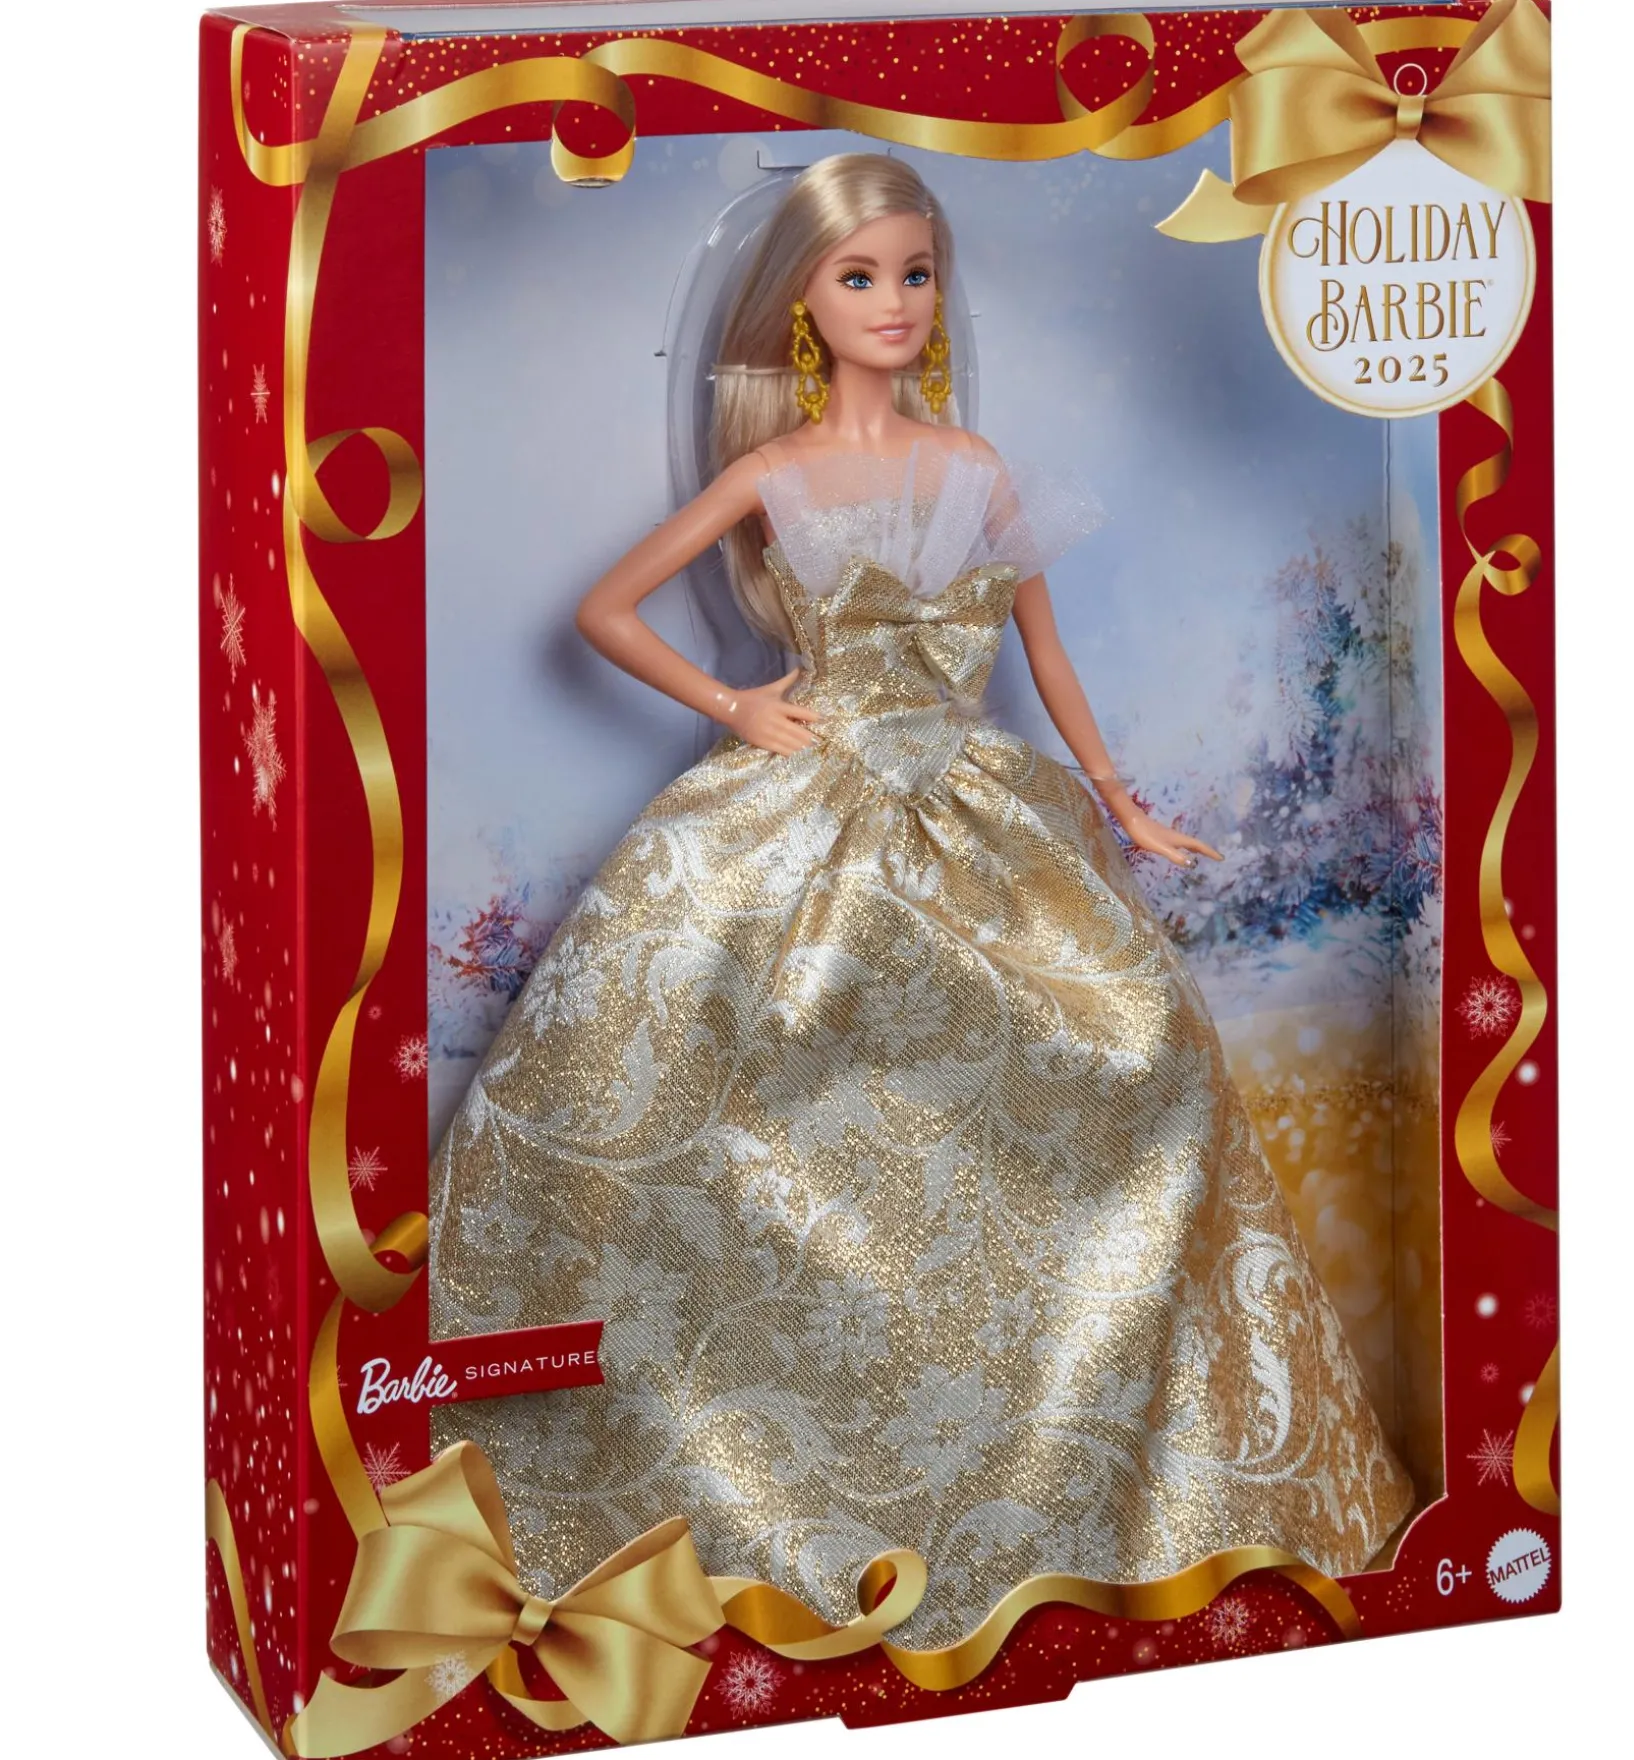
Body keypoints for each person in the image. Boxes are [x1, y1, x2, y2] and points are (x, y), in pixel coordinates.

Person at [429, 152, 1413, 1647]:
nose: (894, 301)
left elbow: (1045, 654)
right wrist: (735, 704)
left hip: (976, 812)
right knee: (734, 1083)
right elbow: (605, 608)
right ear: (804, 302)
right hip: (809, 813)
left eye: (915, 273)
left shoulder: (977, 470)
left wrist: (1121, 798)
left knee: (1136, 1049)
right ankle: (734, 1461)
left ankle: (1100, 1471)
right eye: (860, 276)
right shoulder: (773, 473)